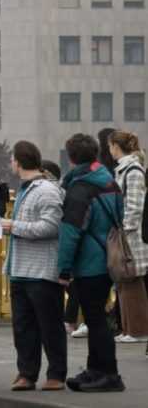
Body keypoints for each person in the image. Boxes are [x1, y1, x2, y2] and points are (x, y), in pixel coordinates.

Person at [57, 133, 125, 392]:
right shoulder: (109, 181)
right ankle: (96, 369)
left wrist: (63, 269)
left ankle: (108, 373)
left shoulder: (80, 188)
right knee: (96, 317)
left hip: (88, 262)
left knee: (95, 320)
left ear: (71, 158)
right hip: (108, 257)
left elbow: (70, 232)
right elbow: (120, 216)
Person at [0, 141, 67, 392]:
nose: (11, 164)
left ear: (18, 161)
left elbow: (50, 227)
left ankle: (56, 374)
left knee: (49, 326)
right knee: (23, 327)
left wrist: (12, 226)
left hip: (41, 271)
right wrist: (10, 228)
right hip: (20, 270)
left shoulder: (46, 190)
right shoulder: (28, 189)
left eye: (12, 160)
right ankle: (27, 373)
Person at [108, 131, 148, 344]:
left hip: (130, 236)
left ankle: (137, 330)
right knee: (124, 282)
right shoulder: (127, 168)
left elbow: (135, 206)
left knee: (131, 281)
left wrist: (125, 228)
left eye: (110, 146)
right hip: (126, 234)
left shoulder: (132, 170)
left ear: (116, 146)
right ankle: (129, 328)